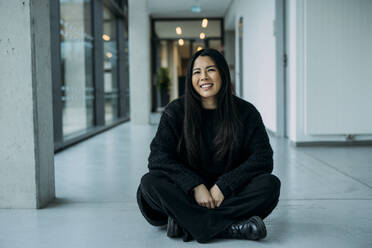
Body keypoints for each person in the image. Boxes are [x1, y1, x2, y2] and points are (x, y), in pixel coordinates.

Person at [136, 48, 281, 243]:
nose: (203, 77)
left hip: (226, 195)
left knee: (269, 185)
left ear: (223, 73)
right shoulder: (176, 111)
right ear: (190, 78)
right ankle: (230, 227)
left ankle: (186, 222)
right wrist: (195, 185)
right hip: (186, 193)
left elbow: (262, 158)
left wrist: (224, 186)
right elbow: (158, 157)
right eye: (197, 72)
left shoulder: (246, 112)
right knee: (149, 183)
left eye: (210, 70)